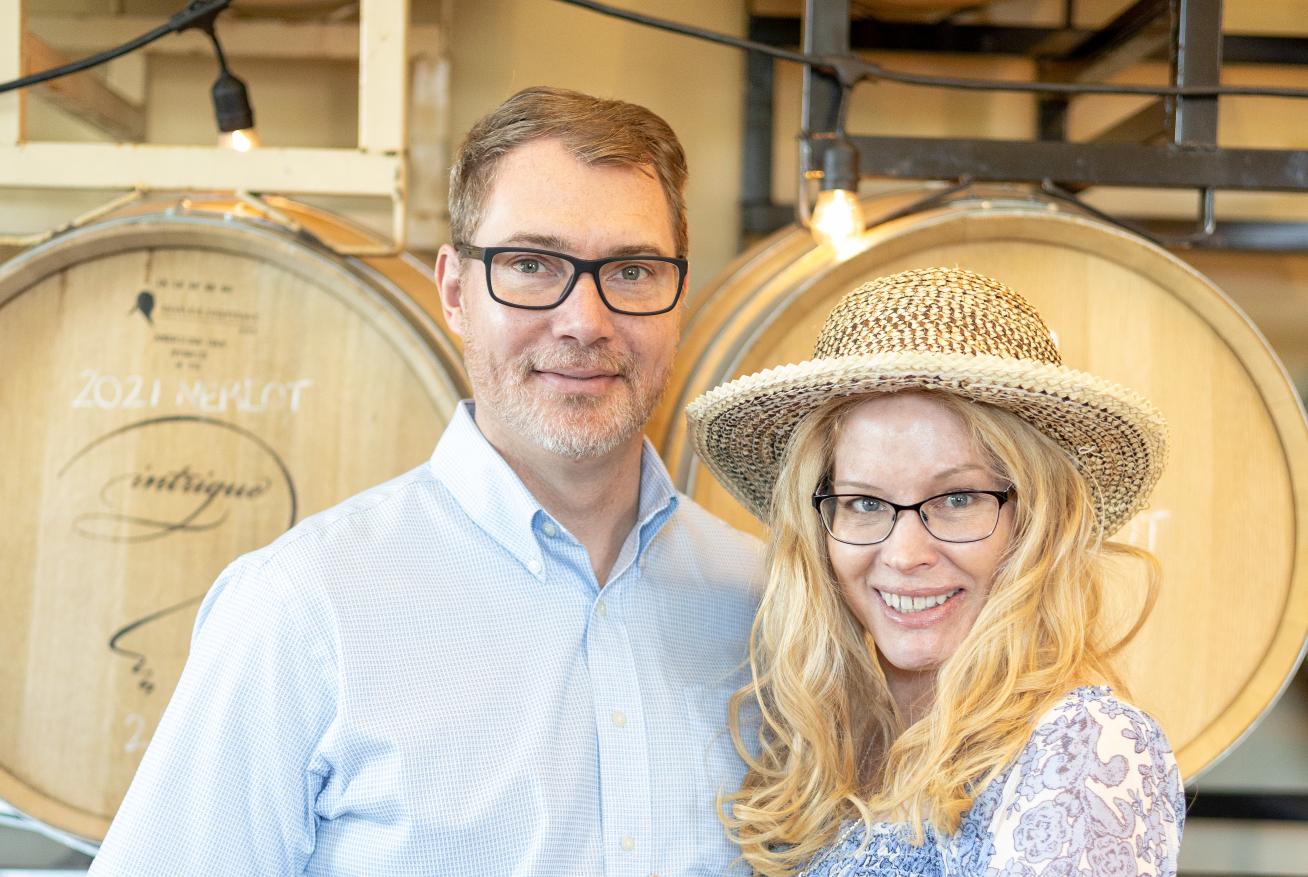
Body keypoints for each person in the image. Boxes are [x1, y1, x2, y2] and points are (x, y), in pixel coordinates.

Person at [90, 86, 761, 876]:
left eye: (633, 270)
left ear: (678, 295)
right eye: (531, 264)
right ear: (454, 291)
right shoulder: (303, 611)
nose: (585, 320)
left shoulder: (762, 605)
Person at [686, 267, 1184, 876]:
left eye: (956, 499)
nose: (904, 554)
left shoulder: (1084, 747)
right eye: (865, 503)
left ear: (1035, 521)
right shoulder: (836, 747)